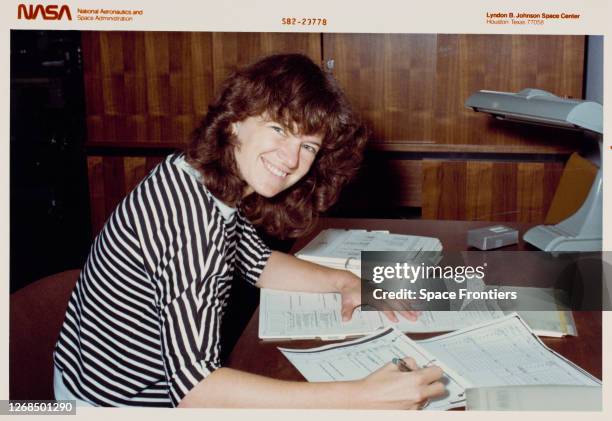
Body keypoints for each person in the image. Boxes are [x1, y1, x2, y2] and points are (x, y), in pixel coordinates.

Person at [53, 53, 445, 409]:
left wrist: (344, 282)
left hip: (93, 376)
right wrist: (359, 397)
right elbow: (196, 391)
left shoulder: (200, 175)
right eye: (279, 129)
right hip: (116, 403)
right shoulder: (191, 220)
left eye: (308, 146)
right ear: (237, 120)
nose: (291, 159)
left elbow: (257, 262)